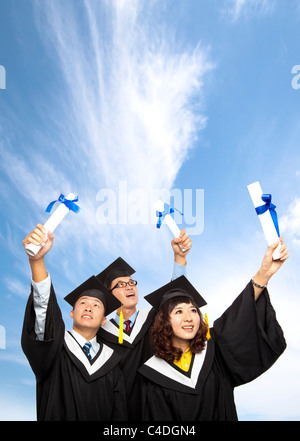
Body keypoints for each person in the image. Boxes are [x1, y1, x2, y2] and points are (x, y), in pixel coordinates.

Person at [137, 240, 288, 421]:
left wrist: (264, 274)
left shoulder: (215, 352)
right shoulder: (152, 375)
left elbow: (238, 316)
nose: (188, 317)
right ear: (164, 322)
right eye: (178, 311)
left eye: (193, 310)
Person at [21, 224, 127, 421]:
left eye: (96, 305)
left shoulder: (112, 363)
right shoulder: (54, 348)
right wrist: (37, 261)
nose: (88, 307)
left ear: (104, 319)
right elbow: (44, 312)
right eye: (83, 303)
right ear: (71, 313)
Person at [96, 230, 192, 419]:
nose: (129, 286)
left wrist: (179, 258)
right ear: (109, 295)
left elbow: (173, 294)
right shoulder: (101, 333)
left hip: (159, 409)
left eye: (131, 282)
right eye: (121, 285)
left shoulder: (152, 317)